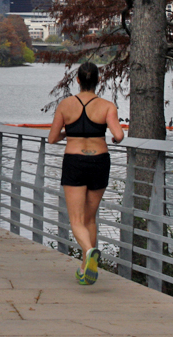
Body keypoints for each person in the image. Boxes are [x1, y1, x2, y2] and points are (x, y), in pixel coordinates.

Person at [48, 62, 125, 286]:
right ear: (98, 80)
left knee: (76, 219)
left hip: (74, 161)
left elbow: (52, 138)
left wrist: (69, 133)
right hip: (100, 161)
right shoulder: (107, 106)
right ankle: (85, 268)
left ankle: (90, 251)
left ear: (78, 80)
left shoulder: (65, 105)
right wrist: (111, 137)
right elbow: (119, 135)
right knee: (90, 218)